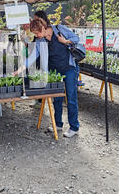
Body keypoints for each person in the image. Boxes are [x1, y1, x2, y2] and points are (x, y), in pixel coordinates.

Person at [19, 10, 81, 138]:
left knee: (71, 97)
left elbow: (76, 39)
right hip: (54, 71)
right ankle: (58, 124)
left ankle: (74, 127)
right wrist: (21, 68)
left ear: (43, 27)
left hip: (69, 68)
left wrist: (65, 42)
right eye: (35, 34)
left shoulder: (59, 29)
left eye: (38, 33)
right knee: (56, 98)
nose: (38, 36)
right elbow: (33, 56)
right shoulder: (40, 41)